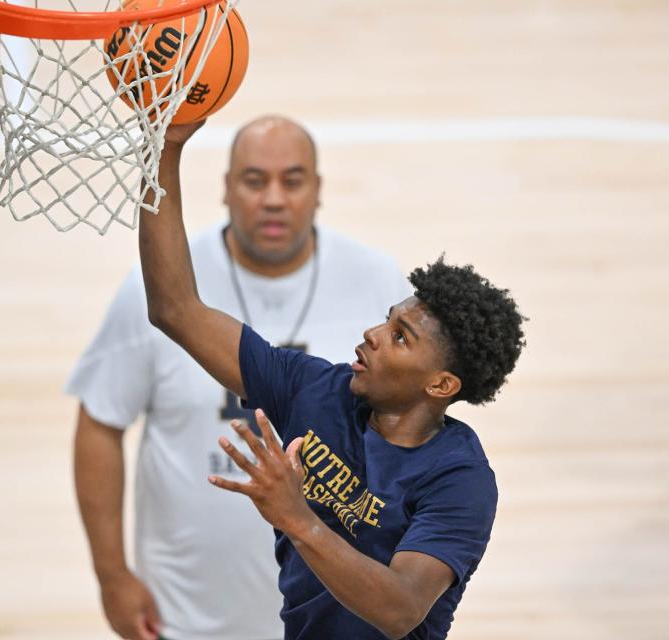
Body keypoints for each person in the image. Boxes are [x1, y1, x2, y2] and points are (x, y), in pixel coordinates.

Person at [138, 120, 526, 640]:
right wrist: (164, 148)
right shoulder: (315, 390)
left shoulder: (459, 478)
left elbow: (400, 608)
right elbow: (175, 309)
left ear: (441, 385)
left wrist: (297, 517)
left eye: (401, 336)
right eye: (387, 319)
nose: (372, 334)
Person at [67, 115, 411, 640]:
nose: (273, 199)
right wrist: (112, 575)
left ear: (318, 191)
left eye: (292, 181)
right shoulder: (158, 281)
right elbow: (100, 421)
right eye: (254, 180)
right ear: (226, 189)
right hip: (185, 618)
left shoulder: (378, 286)